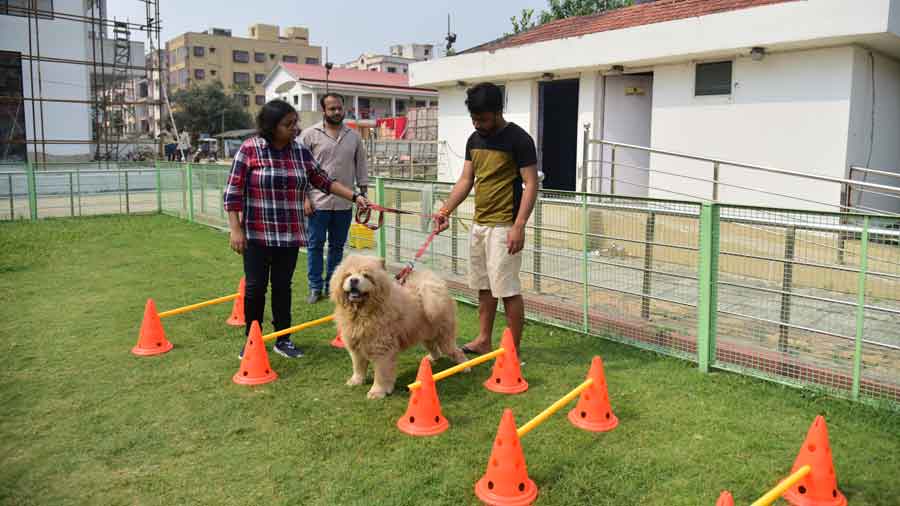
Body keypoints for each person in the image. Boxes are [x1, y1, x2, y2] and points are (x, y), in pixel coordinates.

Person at [223, 99, 369, 358]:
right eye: (288, 124)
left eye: (295, 123)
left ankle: (283, 339)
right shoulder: (250, 149)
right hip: (256, 234)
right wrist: (236, 229)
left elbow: (324, 181)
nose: (295, 128)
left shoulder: (299, 152)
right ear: (271, 126)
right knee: (256, 288)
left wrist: (355, 197)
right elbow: (233, 192)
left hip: (289, 234)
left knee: (282, 287)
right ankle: (252, 340)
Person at [432, 82, 538, 356]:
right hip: (480, 224)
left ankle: (511, 350)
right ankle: (483, 339)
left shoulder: (519, 139)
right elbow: (466, 180)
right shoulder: (474, 140)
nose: (478, 124)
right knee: (483, 286)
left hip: (505, 227)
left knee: (508, 290)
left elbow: (531, 184)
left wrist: (519, 225)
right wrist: (444, 211)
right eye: (474, 118)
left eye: (483, 118)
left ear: (498, 111)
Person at [299, 93, 369, 304]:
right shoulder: (309, 135)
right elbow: (300, 170)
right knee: (315, 245)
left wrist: (363, 194)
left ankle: (333, 285)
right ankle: (314, 286)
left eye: (339, 108)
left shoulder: (354, 136)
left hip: (345, 203)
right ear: (324, 111)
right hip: (317, 202)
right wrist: (304, 198)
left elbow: (361, 166)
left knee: (337, 247)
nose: (337, 112)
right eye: (332, 109)